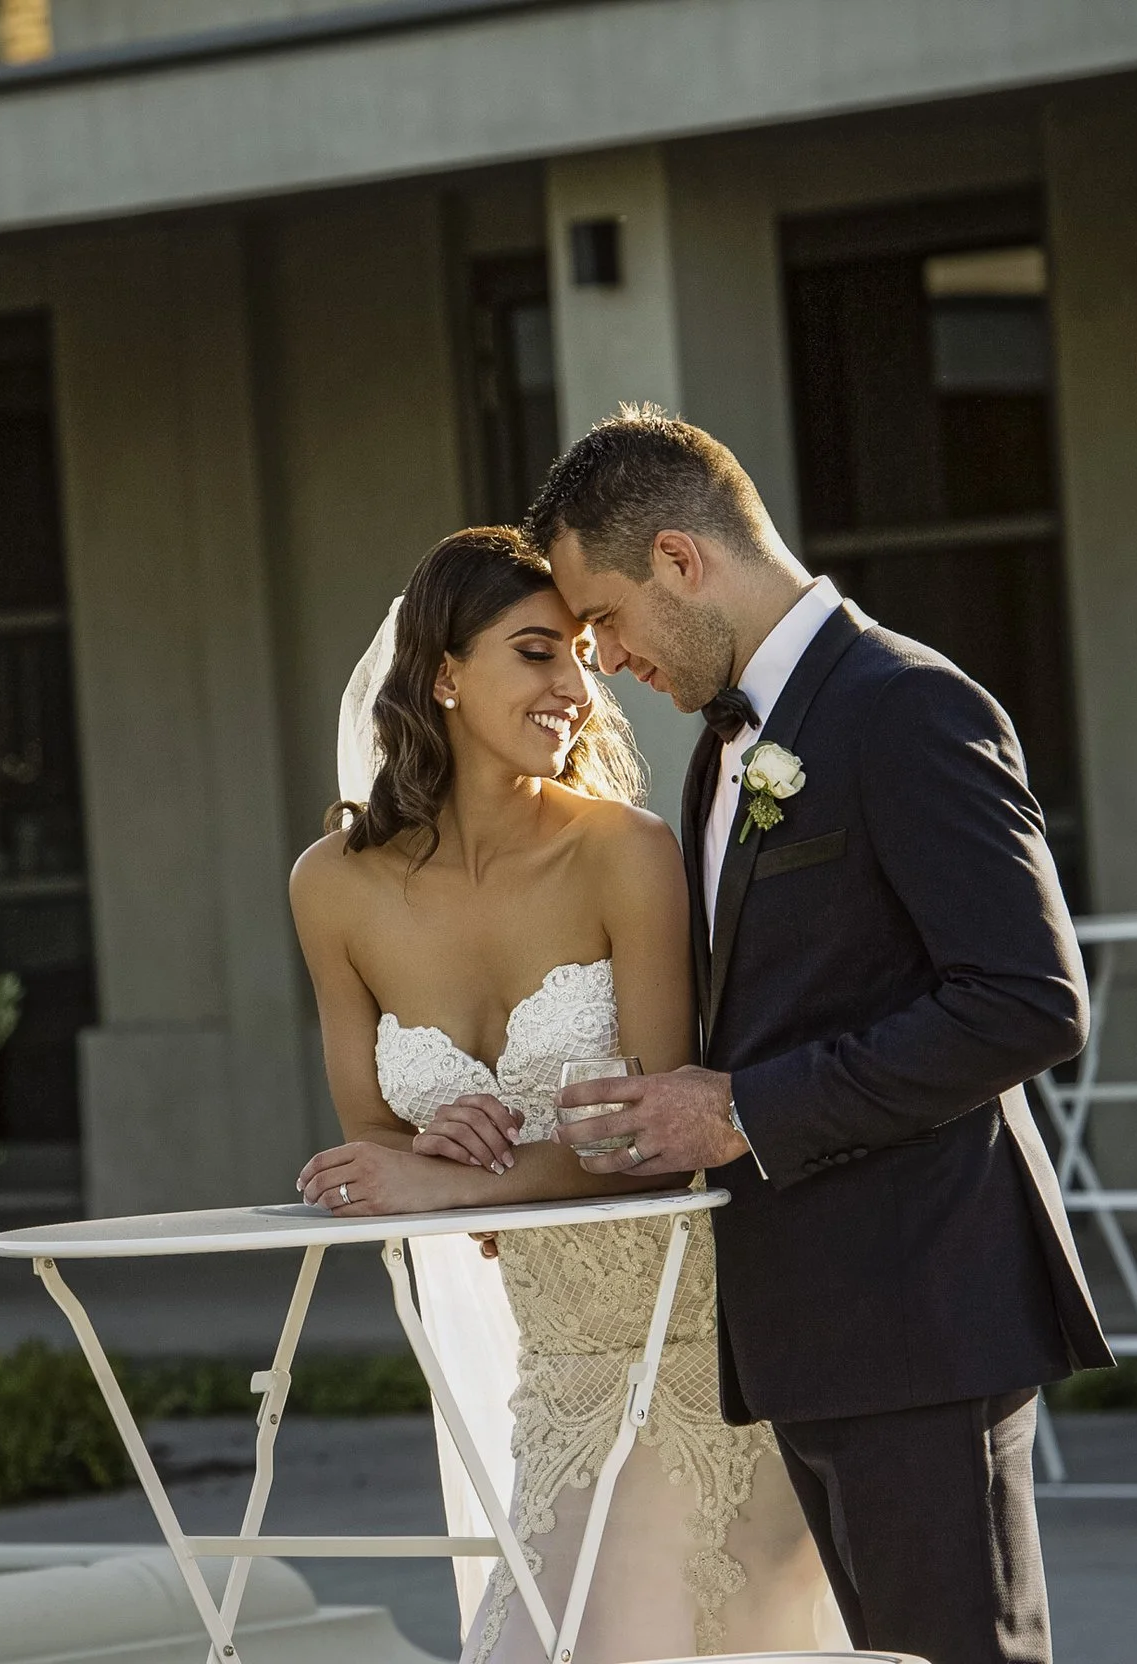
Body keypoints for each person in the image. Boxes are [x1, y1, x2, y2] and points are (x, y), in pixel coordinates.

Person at [532, 406, 1113, 1664]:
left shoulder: (908, 705)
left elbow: (1027, 1000)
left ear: (681, 560)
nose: (604, 662)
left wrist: (742, 1107)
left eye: (606, 621)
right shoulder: (716, 754)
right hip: (804, 1327)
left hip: (920, 1306)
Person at [290, 525, 842, 1662]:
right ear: (441, 674)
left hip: (696, 1331)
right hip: (559, 1365)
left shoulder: (624, 852)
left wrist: (442, 1182)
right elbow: (372, 1143)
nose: (577, 687)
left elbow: (665, 1146)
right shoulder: (329, 886)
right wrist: (429, 1147)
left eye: (585, 655)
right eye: (537, 652)